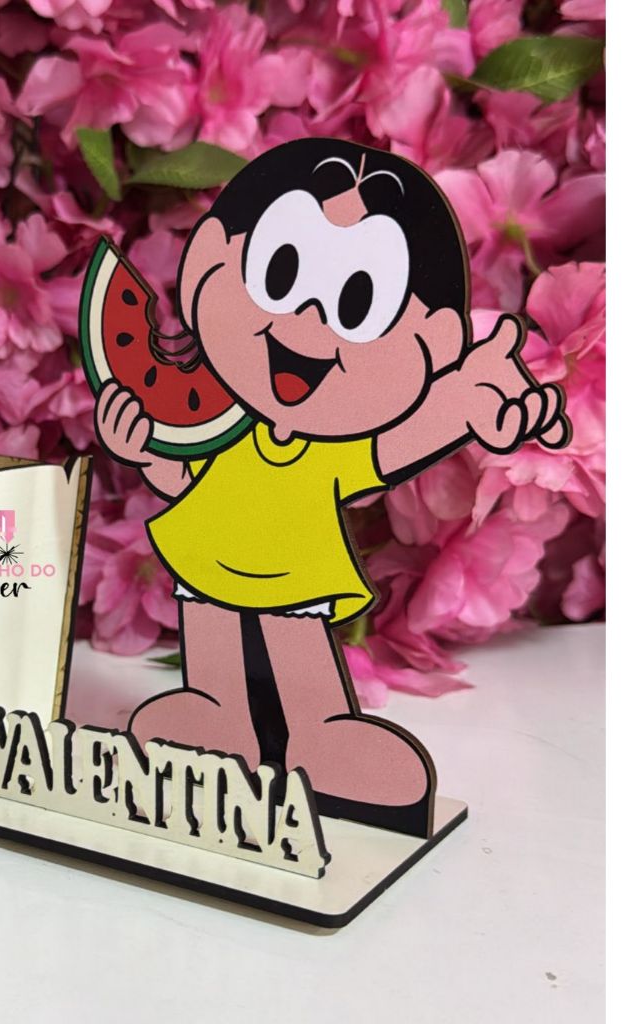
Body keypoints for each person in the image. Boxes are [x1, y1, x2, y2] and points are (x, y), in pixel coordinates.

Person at [93, 138, 570, 836]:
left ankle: (320, 735)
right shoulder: (223, 419)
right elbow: (184, 470)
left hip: (296, 569)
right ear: (206, 262)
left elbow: (396, 445)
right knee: (217, 656)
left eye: (356, 302)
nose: (307, 324)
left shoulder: (333, 451)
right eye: (280, 273)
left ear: (436, 342)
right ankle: (218, 717)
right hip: (206, 553)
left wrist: (466, 408)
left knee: (300, 661)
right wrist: (143, 447)